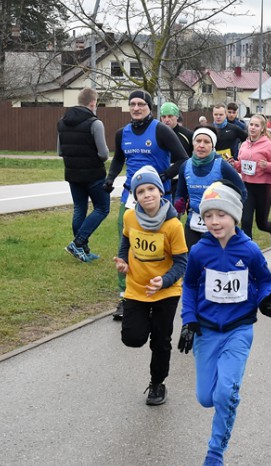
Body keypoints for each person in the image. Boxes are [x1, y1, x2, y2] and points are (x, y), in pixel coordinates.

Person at [178, 181, 271, 466]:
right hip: (206, 332)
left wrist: (266, 299)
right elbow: (190, 287)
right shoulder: (198, 252)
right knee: (206, 398)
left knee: (223, 395)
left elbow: (264, 281)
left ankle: (215, 452)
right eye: (208, 216)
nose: (214, 221)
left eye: (220, 214)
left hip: (238, 329)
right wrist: (189, 321)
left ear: (234, 215)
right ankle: (228, 395)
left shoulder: (248, 250)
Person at [104, 90, 189, 320]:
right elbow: (120, 158)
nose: (136, 107)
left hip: (159, 196)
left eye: (141, 104)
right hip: (131, 196)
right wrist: (111, 177)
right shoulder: (123, 133)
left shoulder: (161, 130)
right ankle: (126, 295)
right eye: (132, 104)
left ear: (150, 107)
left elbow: (182, 159)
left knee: (160, 246)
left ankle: (163, 287)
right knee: (127, 243)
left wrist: (162, 177)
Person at [113, 165, 188, 406]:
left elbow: (181, 262)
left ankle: (157, 383)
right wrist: (123, 260)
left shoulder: (173, 225)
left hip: (166, 290)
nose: (147, 195)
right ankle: (139, 327)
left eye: (151, 189)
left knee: (160, 340)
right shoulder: (129, 216)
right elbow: (126, 240)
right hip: (137, 287)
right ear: (135, 196)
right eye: (141, 191)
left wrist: (164, 280)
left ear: (160, 191)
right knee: (133, 338)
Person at [57, 87, 110, 263]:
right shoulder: (95, 123)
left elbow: (59, 151)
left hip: (72, 173)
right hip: (94, 174)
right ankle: (78, 243)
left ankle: (83, 250)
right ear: (92, 103)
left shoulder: (62, 121)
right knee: (102, 208)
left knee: (80, 208)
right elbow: (103, 154)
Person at [176, 127, 246, 248]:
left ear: (213, 145)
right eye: (198, 141)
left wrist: (228, 214)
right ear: (193, 143)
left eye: (206, 142)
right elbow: (180, 193)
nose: (201, 145)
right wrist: (178, 202)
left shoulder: (222, 166)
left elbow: (242, 192)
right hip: (193, 225)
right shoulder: (185, 166)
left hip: (218, 225)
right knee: (193, 262)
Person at [232, 114, 271, 247]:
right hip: (247, 186)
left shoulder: (268, 145)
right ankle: (248, 251)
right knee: (245, 221)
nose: (252, 128)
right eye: (251, 125)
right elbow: (241, 166)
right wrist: (234, 164)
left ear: (262, 129)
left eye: (256, 126)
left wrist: (267, 166)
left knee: (261, 224)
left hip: (264, 187)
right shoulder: (244, 145)